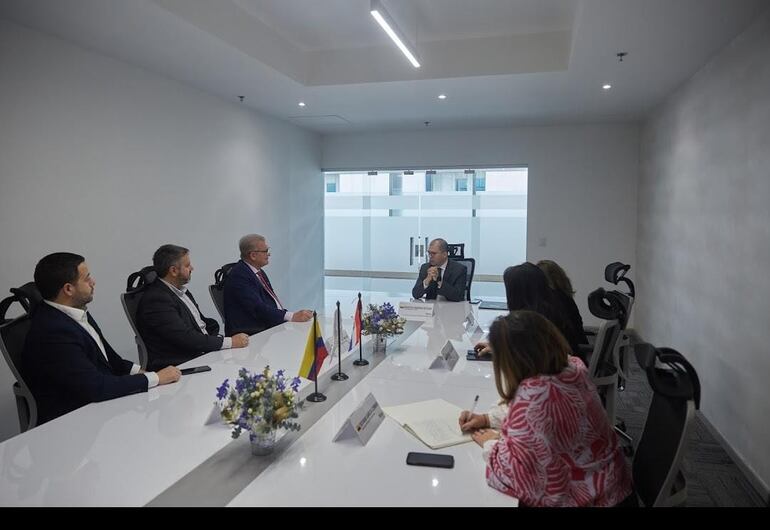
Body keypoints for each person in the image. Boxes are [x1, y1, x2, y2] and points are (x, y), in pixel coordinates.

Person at [458, 311, 635, 507]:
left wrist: (491, 445)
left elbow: (519, 476)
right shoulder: (573, 367)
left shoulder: (532, 399)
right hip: (617, 488)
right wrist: (486, 419)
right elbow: (543, 416)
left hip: (592, 500)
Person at [22, 253, 180, 424]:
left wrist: (144, 372)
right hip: (76, 422)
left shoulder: (75, 312)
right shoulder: (52, 332)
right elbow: (96, 387)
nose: (93, 281)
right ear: (68, 289)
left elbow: (111, 361)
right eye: (87, 278)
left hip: (101, 406)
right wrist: (156, 378)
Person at [136, 244, 249, 372]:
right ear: (173, 271)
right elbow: (186, 338)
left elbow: (201, 324)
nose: (192, 268)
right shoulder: (156, 300)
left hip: (204, 352)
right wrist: (230, 342)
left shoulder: (180, 290)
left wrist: (219, 339)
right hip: (182, 365)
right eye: (187, 265)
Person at [472, 262, 586, 362]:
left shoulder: (536, 320)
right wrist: (500, 347)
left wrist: (501, 351)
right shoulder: (548, 307)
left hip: (557, 378)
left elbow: (532, 356)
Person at [223, 234, 313, 335]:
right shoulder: (239, 276)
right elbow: (257, 308)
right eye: (265, 251)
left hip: (268, 326)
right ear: (253, 255)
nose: (269, 254)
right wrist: (291, 316)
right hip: (251, 333)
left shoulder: (257, 272)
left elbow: (269, 303)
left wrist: (290, 315)